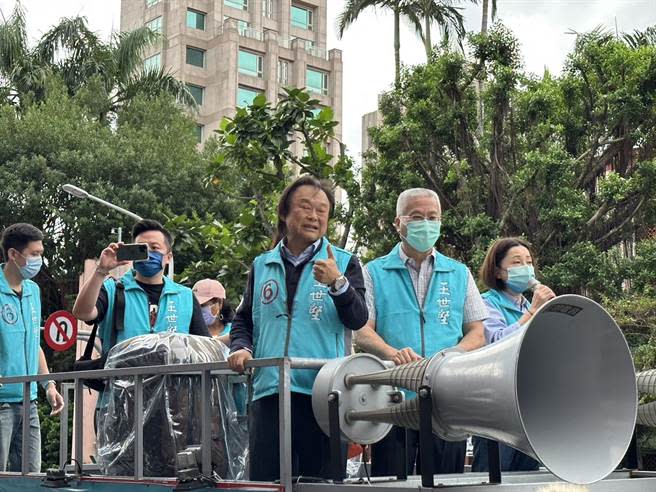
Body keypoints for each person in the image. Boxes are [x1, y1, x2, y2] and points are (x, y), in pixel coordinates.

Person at [228, 175, 368, 481]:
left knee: (319, 484)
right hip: (270, 390)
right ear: (284, 212)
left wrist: (338, 283)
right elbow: (244, 319)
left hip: (323, 392)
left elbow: (358, 318)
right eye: (305, 206)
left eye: (322, 210)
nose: (314, 215)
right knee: (267, 482)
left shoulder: (344, 263)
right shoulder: (261, 265)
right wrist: (240, 346)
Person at [354, 188, 487, 476]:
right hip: (393, 397)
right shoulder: (374, 271)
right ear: (397, 223)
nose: (425, 224)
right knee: (392, 479)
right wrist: (392, 353)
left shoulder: (458, 273)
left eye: (432, 217)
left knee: (447, 480)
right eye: (416, 217)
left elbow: (477, 332)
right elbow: (362, 331)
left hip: (447, 396)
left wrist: (450, 356)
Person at [471, 237, 556, 472]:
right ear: (498, 272)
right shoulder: (486, 303)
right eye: (516, 262)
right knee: (494, 475)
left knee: (525, 477)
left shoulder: (529, 305)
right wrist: (532, 312)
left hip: (527, 409)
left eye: (528, 262)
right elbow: (496, 343)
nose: (526, 268)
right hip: (494, 408)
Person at [72, 219, 210, 356]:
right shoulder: (112, 290)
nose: (148, 254)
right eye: (142, 248)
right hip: (121, 377)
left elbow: (204, 347)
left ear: (168, 257)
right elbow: (82, 313)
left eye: (154, 248)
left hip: (172, 377)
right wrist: (101, 270)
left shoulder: (185, 296)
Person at [0, 223, 64, 472]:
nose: (40, 260)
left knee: (31, 478)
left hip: (30, 402)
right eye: (34, 254)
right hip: (2, 403)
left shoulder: (33, 290)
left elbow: (33, 343)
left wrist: (48, 385)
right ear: (13, 254)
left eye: (41, 253)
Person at [192, 279, 232, 345]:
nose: (198, 310)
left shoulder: (235, 331)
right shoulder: (189, 333)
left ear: (220, 303)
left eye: (202, 305)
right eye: (195, 306)